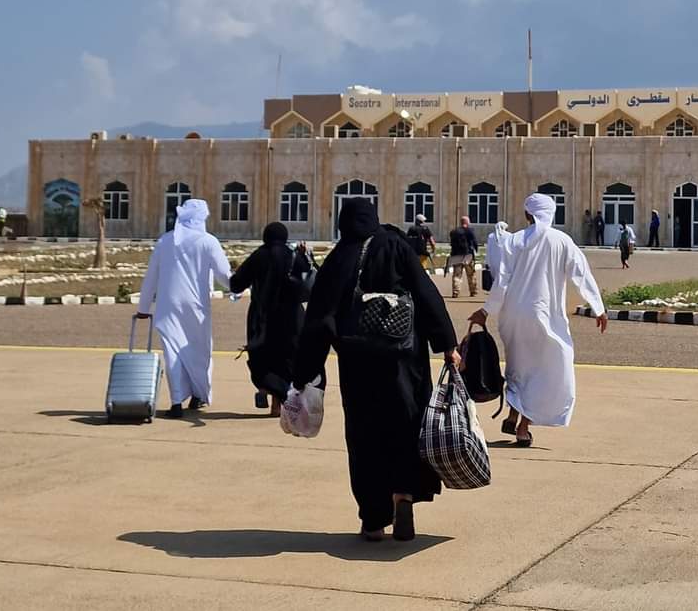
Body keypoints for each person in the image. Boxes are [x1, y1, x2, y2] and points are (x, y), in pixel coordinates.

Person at [293, 198, 459, 542]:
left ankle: (373, 520)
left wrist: (306, 369)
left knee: (365, 438)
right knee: (406, 428)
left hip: (359, 365)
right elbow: (427, 294)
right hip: (404, 361)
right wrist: (447, 344)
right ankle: (404, 496)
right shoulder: (397, 246)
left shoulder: (340, 257)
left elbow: (320, 319)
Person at [470, 193, 607, 447]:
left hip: (514, 316)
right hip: (546, 315)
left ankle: (513, 412)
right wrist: (598, 307)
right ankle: (523, 428)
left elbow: (501, 281)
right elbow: (581, 274)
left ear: (527, 215)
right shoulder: (562, 241)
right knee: (547, 370)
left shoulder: (514, 241)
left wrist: (487, 310)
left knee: (518, 367)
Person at [135, 199, 231, 419]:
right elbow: (224, 275)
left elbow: (151, 277)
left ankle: (177, 402)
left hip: (168, 305)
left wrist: (143, 307)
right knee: (199, 350)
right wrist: (236, 289)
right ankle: (199, 394)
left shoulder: (165, 241)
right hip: (196, 306)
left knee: (172, 352)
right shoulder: (208, 242)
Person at [229, 222, 314, 415]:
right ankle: (280, 399)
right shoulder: (292, 255)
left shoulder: (259, 256)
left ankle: (267, 389)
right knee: (287, 357)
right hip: (291, 317)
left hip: (262, 316)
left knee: (263, 356)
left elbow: (236, 285)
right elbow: (309, 279)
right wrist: (304, 255)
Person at [448, 215, 480, 298]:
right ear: (466, 222)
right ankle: (473, 291)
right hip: (468, 255)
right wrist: (476, 251)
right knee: (471, 274)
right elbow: (474, 242)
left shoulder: (453, 232)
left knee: (457, 275)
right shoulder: (470, 231)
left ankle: (456, 292)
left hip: (456, 255)